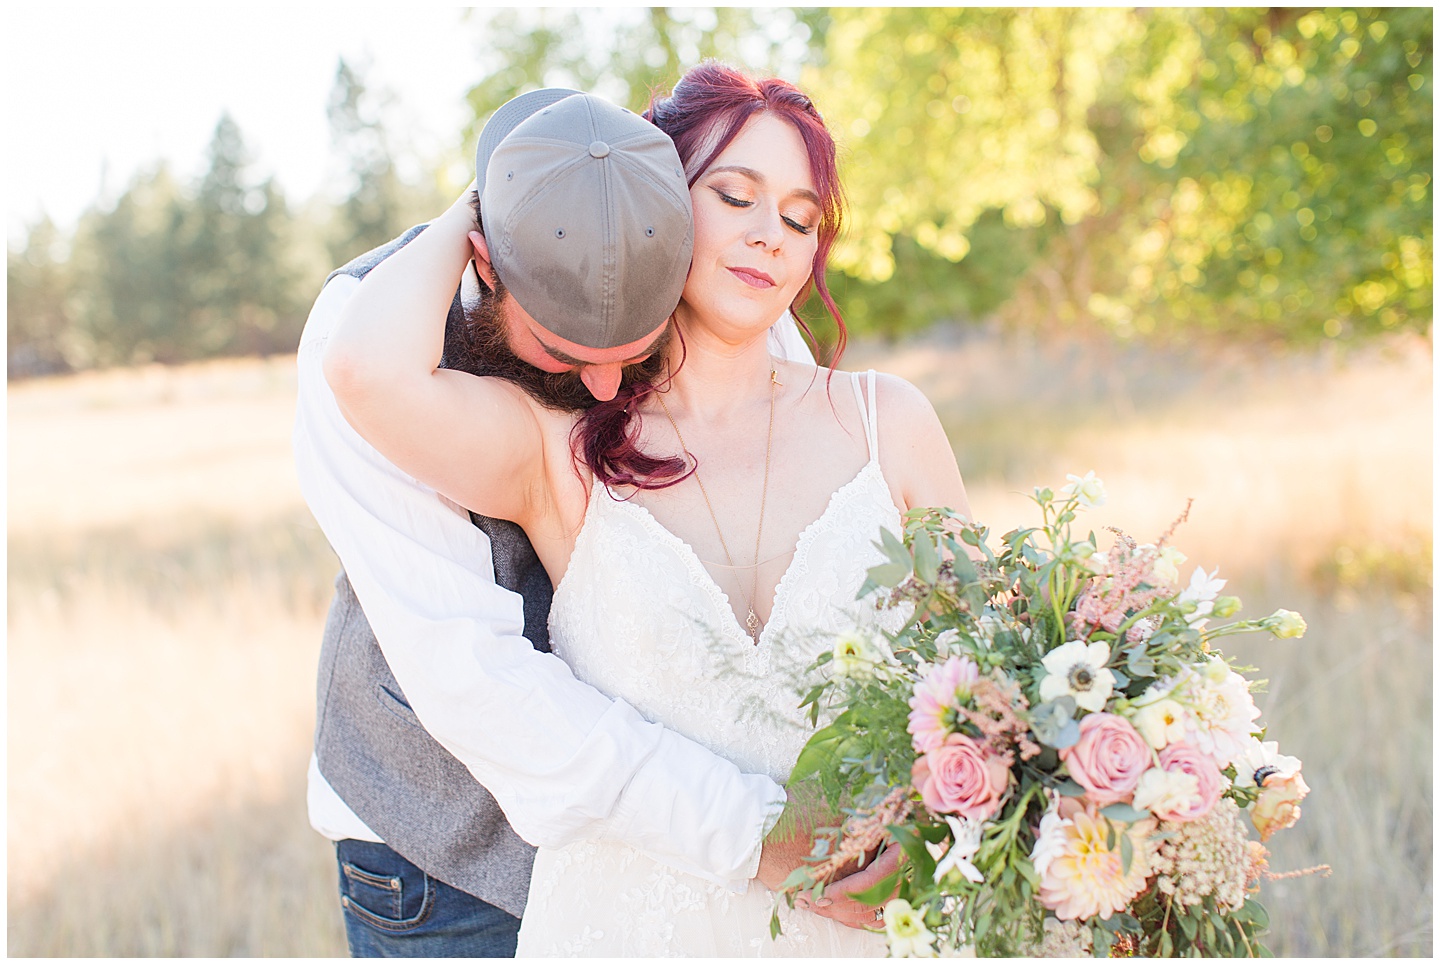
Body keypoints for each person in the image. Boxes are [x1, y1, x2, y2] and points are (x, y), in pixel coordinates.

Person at [324, 64, 973, 956]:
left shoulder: (887, 420)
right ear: (657, 199)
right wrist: (497, 196)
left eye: (798, 217)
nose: (770, 236)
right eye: (734, 196)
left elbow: (984, 675)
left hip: (870, 923)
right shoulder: (558, 451)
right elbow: (366, 371)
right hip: (629, 919)